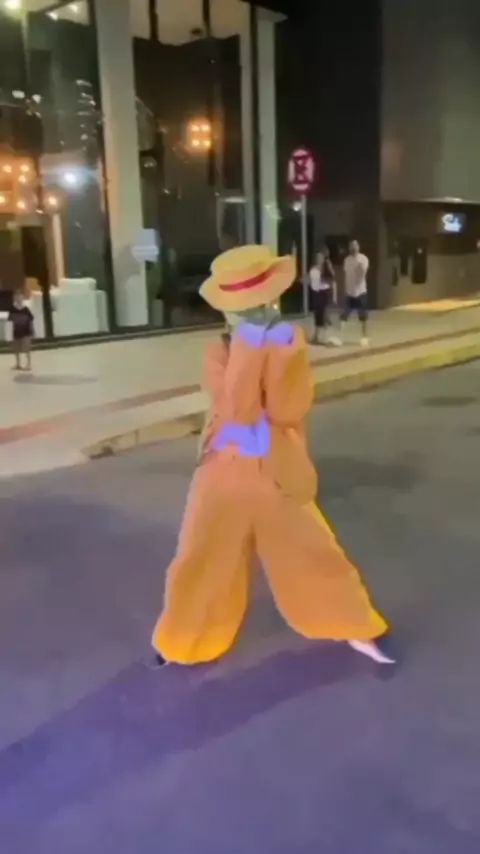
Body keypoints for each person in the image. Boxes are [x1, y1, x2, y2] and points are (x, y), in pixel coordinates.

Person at [151, 245, 395, 668]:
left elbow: (287, 409)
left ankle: (357, 627)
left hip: (278, 473)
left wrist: (279, 350)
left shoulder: (288, 341)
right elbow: (238, 411)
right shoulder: (217, 351)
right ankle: (180, 641)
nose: (251, 314)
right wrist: (248, 346)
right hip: (222, 475)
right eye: (241, 309)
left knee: (315, 554)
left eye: (258, 305)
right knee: (200, 558)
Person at [308, 247, 340, 346]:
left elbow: (333, 281)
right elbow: (311, 280)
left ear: (323, 258)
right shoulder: (313, 268)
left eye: (320, 257)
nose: (318, 259)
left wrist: (334, 296)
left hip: (324, 293)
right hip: (315, 293)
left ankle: (327, 337)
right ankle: (316, 336)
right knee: (317, 315)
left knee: (324, 315)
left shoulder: (326, 268)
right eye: (317, 257)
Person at [341, 239, 370, 346]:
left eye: (355, 246)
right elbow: (346, 275)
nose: (353, 248)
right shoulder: (347, 260)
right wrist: (345, 289)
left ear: (358, 247)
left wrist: (360, 267)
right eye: (351, 246)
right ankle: (340, 335)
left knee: (363, 316)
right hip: (350, 292)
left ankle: (364, 337)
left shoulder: (363, 259)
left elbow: (362, 273)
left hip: (360, 292)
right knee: (344, 314)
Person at [9, 290, 34, 372]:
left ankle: (28, 364)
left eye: (19, 297)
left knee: (27, 349)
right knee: (16, 349)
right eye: (16, 297)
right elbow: (10, 321)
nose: (18, 299)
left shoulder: (26, 309)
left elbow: (31, 320)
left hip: (26, 332)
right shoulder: (12, 309)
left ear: (22, 298)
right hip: (16, 332)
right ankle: (18, 363)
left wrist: (32, 331)